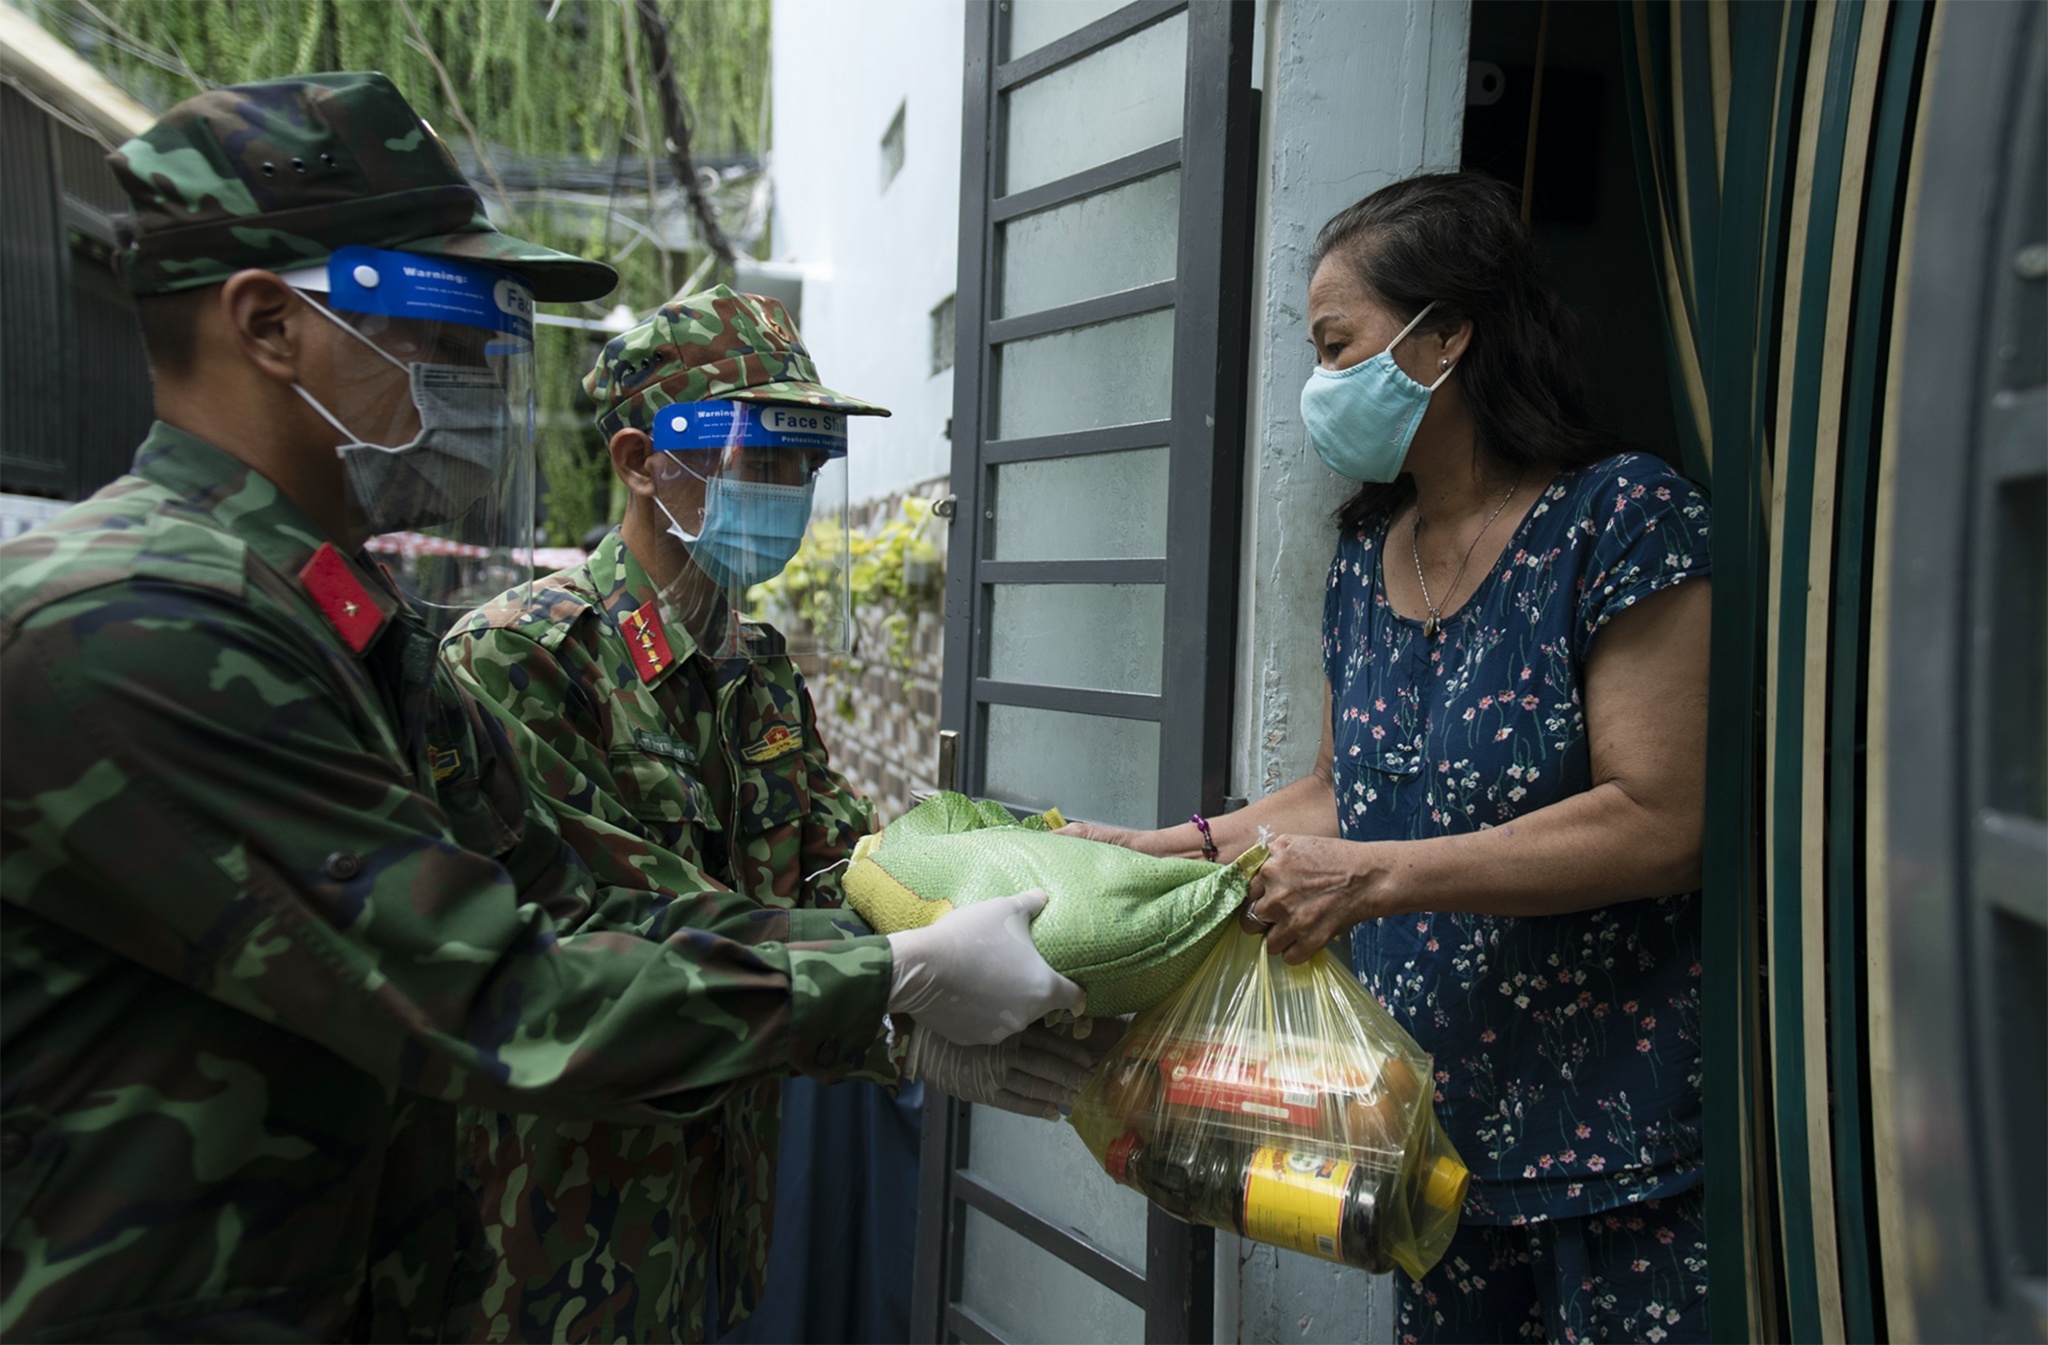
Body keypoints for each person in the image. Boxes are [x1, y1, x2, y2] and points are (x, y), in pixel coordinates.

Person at [0, 72, 1087, 1342]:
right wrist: (884, 980)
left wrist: (886, 1007)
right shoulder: (136, 622)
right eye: (438, 333)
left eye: (482, 346)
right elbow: (489, 985)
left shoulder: (342, 623)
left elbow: (589, 901)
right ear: (267, 323)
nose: (472, 383)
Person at [1065, 173, 1712, 1343]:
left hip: (1612, 1156)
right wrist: (1144, 853)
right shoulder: (1366, 553)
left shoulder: (1620, 522)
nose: (1320, 386)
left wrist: (1372, 878)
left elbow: (1659, 824)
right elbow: (1335, 794)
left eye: (1335, 344)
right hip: (1418, 1149)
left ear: (1446, 335)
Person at [440, 289, 1104, 1343]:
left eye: (806, 466)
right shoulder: (521, 662)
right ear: (639, 460)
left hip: (714, 1229)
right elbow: (626, 936)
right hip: (551, 1246)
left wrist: (1033, 877)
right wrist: (894, 998)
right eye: (761, 464)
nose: (789, 494)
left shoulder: (754, 671)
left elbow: (842, 868)